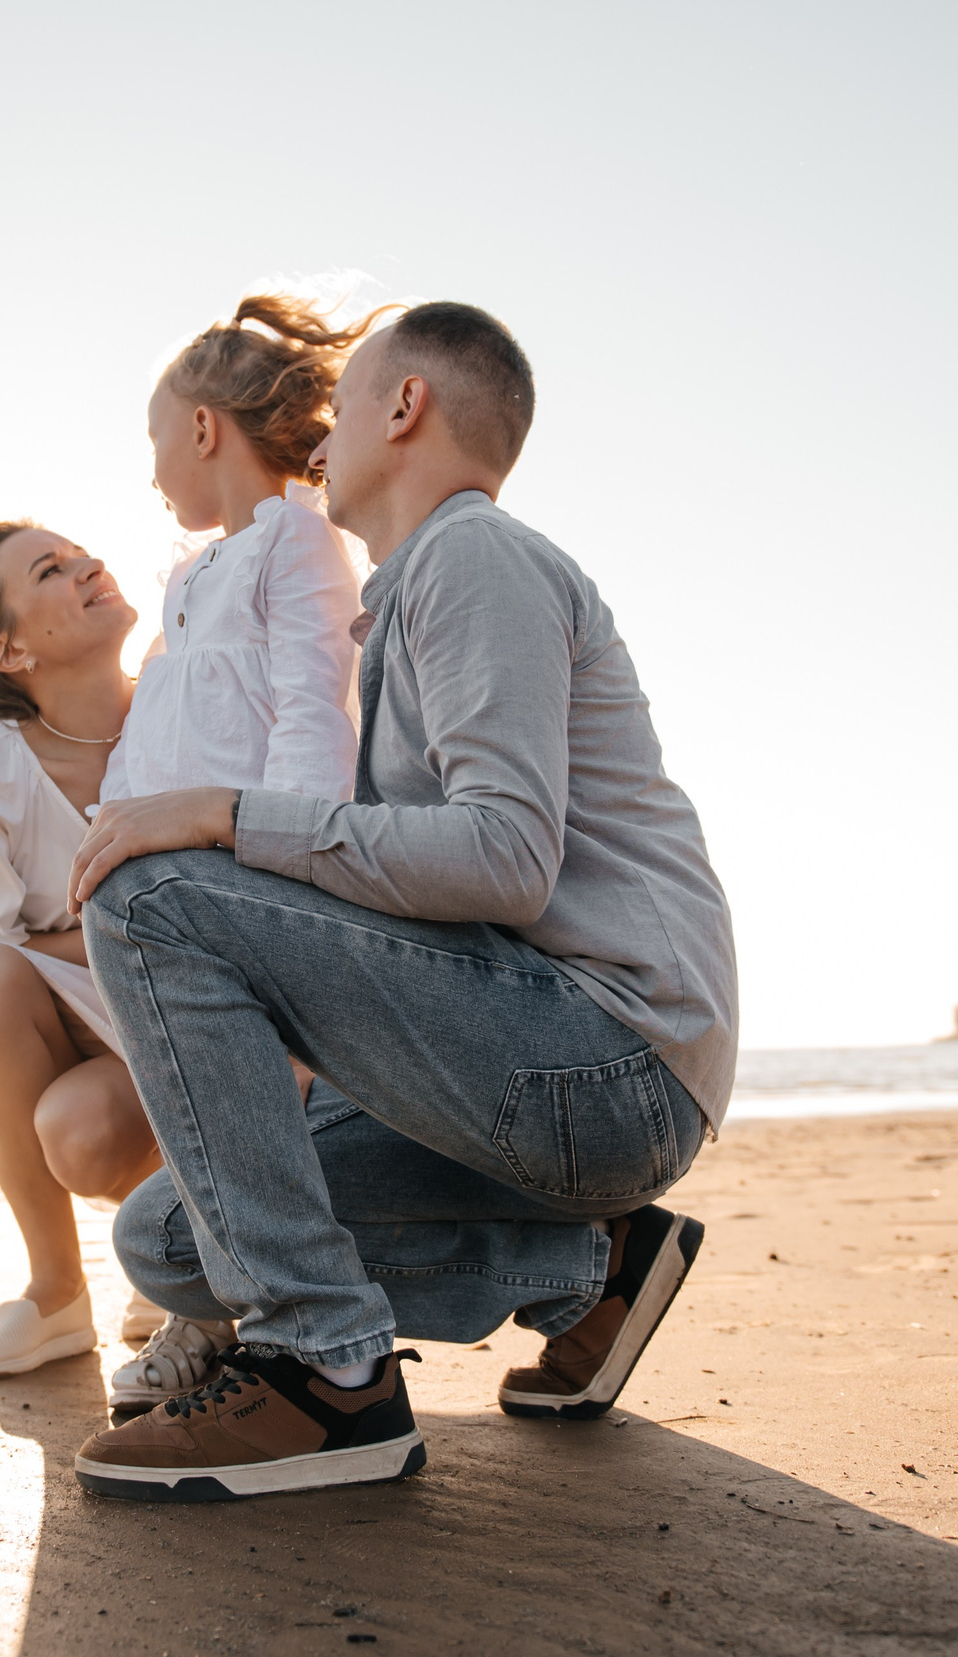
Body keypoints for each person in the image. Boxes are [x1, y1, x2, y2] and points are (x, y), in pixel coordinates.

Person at [63, 302, 740, 1502]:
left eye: (343, 405)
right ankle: (594, 1267)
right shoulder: (413, 591)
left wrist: (221, 814)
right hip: (541, 1061)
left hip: (608, 1056)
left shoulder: (473, 556)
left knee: (150, 894)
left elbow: (502, 857)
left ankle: (325, 1375)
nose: (318, 437)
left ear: (406, 406)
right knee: (168, 1237)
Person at [100, 295, 370, 1419]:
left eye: (156, 436)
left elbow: (312, 708)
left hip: (248, 872)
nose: (152, 467)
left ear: (204, 428)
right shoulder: (189, 576)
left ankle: (219, 1313)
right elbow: (162, 726)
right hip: (172, 882)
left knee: (245, 1103)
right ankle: (202, 1295)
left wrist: (282, 854)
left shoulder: (296, 542)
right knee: (196, 1101)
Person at [0, 522, 159, 1380]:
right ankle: (56, 1293)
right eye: (51, 570)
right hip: (98, 1026)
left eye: (81, 552)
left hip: (222, 1015)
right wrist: (125, 929)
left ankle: (180, 1246)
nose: (89, 565)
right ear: (9, 650)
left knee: (81, 1124)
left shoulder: (186, 702)